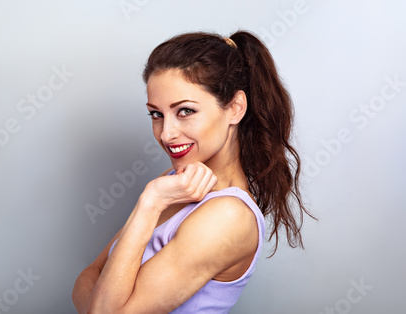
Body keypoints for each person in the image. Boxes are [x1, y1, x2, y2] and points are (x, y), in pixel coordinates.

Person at [72, 30, 316, 313]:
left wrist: (149, 203)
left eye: (185, 111)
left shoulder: (228, 216)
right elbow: (88, 275)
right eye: (156, 114)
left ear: (235, 108)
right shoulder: (173, 183)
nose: (166, 134)